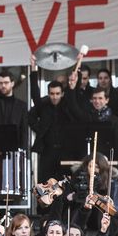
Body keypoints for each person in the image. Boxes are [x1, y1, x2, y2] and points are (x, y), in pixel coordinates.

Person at [29, 55, 86, 184]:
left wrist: (77, 72)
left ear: (62, 93)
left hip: (66, 151)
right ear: (48, 93)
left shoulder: (67, 105)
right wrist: (33, 69)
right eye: (52, 94)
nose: (54, 97)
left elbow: (74, 95)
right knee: (44, 184)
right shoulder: (44, 105)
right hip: (47, 151)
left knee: (64, 184)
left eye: (57, 94)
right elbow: (34, 94)